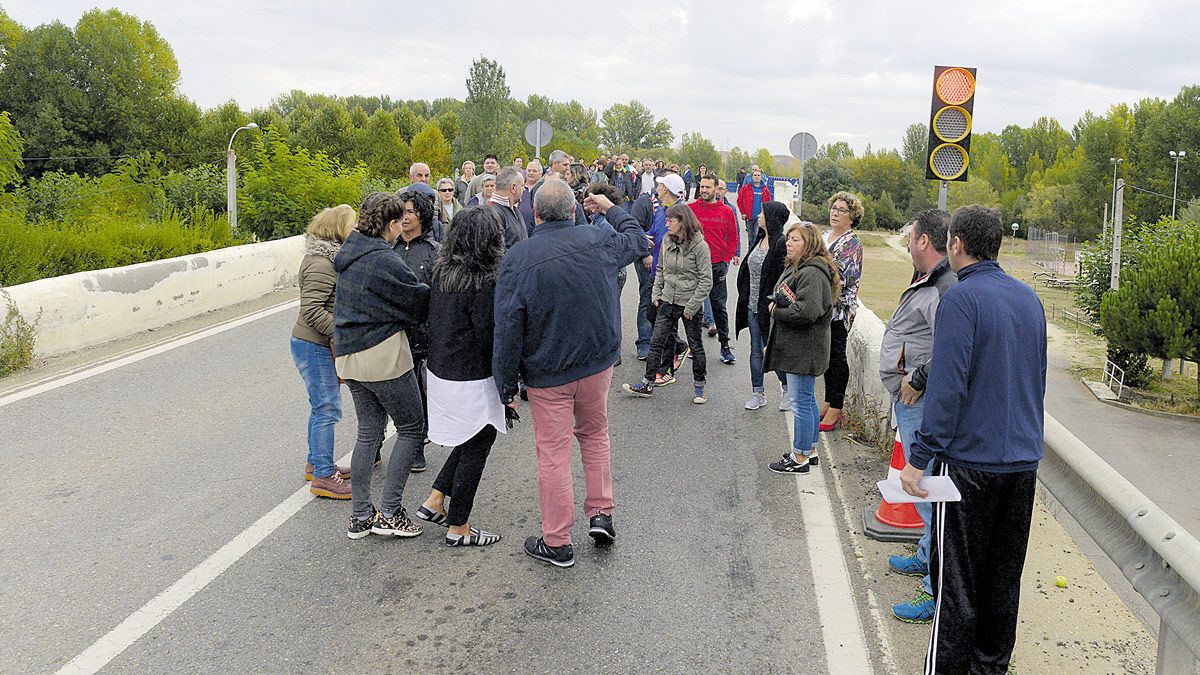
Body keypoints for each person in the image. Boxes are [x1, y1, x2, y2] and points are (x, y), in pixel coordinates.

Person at [899, 205, 1047, 674]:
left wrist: (919, 458)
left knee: (957, 589)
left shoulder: (962, 300)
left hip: (969, 467)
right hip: (1022, 463)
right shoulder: (1029, 299)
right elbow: (1035, 379)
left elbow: (947, 389)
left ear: (956, 243)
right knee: (1003, 586)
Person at [493, 180, 650, 568]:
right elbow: (636, 237)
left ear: (537, 214)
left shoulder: (519, 257)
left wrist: (505, 383)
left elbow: (508, 325)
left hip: (548, 372)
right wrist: (609, 207)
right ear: (575, 209)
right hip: (596, 363)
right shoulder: (598, 239)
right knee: (595, 435)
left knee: (553, 452)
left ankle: (558, 540)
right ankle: (601, 513)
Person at [332, 192, 431, 540]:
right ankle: (390, 511)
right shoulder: (383, 260)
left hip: (349, 356)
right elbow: (416, 300)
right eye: (398, 221)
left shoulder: (348, 255)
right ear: (390, 224)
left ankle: (360, 515)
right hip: (382, 355)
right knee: (411, 427)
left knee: (368, 432)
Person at [878, 209, 957, 623]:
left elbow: (950, 347)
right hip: (910, 400)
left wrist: (918, 379)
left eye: (911, 237)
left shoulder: (945, 287)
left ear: (924, 241)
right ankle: (926, 558)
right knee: (923, 492)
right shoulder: (930, 278)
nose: (908, 243)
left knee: (927, 494)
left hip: (918, 402)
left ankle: (934, 591)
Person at [415, 207, 508, 547]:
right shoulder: (485, 280)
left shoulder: (442, 270)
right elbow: (488, 335)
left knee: (471, 437)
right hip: (471, 373)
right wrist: (507, 380)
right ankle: (459, 525)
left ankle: (436, 498)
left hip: (441, 369)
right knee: (479, 441)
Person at [291, 204, 356, 499]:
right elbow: (312, 310)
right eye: (351, 226)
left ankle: (316, 462)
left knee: (320, 406)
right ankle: (323, 476)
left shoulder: (325, 258)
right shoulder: (321, 263)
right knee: (327, 408)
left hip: (313, 343)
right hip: (313, 343)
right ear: (338, 228)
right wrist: (343, 332)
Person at [765, 221, 838, 475]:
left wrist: (777, 311)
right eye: (789, 238)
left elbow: (807, 311)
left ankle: (800, 457)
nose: (789, 243)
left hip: (805, 348)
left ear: (810, 244)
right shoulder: (803, 268)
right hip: (803, 346)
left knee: (801, 401)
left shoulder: (811, 273)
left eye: (796, 239)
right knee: (805, 399)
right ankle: (810, 450)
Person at [622, 202, 712, 403]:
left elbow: (706, 280)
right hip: (667, 301)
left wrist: (692, 306)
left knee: (696, 346)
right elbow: (660, 269)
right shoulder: (666, 241)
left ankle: (699, 388)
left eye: (671, 220)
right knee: (656, 343)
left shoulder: (700, 246)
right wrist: (656, 294)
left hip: (689, 304)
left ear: (683, 221)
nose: (667, 223)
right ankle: (647, 383)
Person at [393, 190, 441, 473]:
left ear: (421, 215)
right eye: (401, 212)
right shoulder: (390, 249)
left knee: (418, 394)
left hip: (423, 338)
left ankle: (416, 447)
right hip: (393, 335)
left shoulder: (435, 252)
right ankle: (374, 446)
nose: (404, 217)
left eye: (409, 212)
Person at [734, 201, 789, 410]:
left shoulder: (780, 243)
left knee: (772, 349)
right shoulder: (759, 239)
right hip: (752, 306)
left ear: (772, 218)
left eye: (763, 213)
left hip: (769, 309)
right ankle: (758, 393)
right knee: (755, 350)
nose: (758, 215)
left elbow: (784, 277)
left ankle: (786, 389)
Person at [820, 191, 864, 431]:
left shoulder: (851, 242)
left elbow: (843, 276)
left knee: (836, 355)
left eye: (842, 210)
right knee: (825, 356)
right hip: (822, 306)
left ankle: (837, 406)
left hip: (839, 309)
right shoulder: (825, 236)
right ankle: (828, 399)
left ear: (852, 216)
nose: (835, 213)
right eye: (833, 209)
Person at [689, 174, 740, 365]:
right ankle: (694, 346)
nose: (703, 190)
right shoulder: (690, 210)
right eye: (702, 187)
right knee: (692, 308)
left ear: (716, 189)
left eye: (708, 187)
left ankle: (725, 346)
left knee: (719, 308)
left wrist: (726, 261)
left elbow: (733, 239)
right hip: (694, 267)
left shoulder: (726, 211)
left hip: (717, 266)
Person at [489, 167, 528, 249]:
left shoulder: (513, 208)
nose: (524, 190)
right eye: (522, 186)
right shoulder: (492, 213)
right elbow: (496, 251)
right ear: (513, 188)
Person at [736, 167, 772, 245]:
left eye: (758, 175)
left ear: (761, 177)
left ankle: (754, 253)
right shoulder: (745, 188)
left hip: (759, 217)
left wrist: (766, 215)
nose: (756, 177)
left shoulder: (765, 190)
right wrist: (743, 213)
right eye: (755, 175)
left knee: (756, 236)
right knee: (750, 237)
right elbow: (740, 201)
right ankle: (750, 254)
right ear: (752, 177)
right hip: (749, 216)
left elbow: (769, 203)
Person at [519, 160, 543, 234]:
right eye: (529, 170)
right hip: (520, 229)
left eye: (534, 171)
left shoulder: (543, 189)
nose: (531, 173)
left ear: (540, 173)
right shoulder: (518, 187)